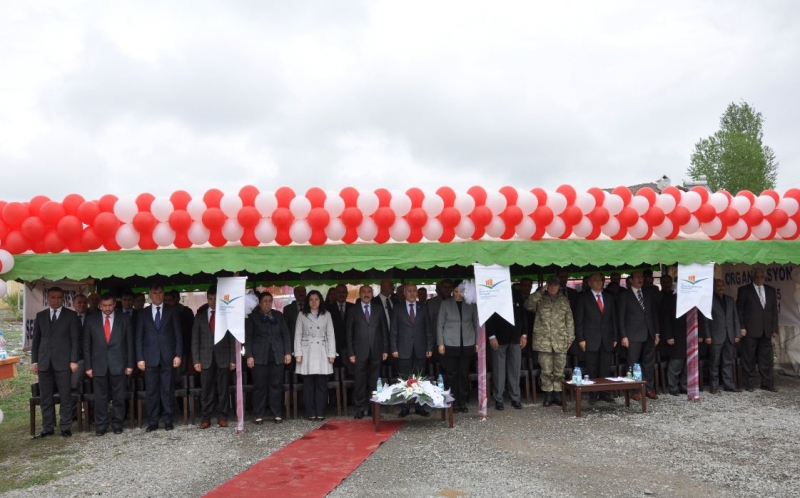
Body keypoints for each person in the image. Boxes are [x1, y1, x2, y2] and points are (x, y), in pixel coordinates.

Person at [31, 286, 80, 438]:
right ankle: (47, 427)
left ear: (63, 298)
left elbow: (75, 340)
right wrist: (34, 362)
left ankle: (65, 426)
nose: (56, 300)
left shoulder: (71, 316)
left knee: (65, 396)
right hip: (45, 362)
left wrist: (73, 360)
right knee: (46, 397)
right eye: (53, 297)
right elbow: (36, 341)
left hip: (64, 362)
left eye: (59, 297)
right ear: (47, 298)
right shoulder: (40, 316)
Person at [83, 293, 134, 435]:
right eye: (104, 306)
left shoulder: (124, 319)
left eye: (110, 305)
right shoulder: (91, 320)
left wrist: (130, 364)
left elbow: (130, 343)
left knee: (119, 396)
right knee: (100, 397)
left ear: (115, 304)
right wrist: (88, 366)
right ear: (100, 305)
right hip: (98, 364)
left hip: (119, 363)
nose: (107, 308)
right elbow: (86, 345)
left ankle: (117, 424)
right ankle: (101, 425)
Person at [136, 283, 183, 432]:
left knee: (167, 389)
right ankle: (153, 421)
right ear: (149, 294)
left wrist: (178, 354)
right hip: (150, 357)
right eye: (155, 293)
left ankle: (168, 419)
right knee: (151, 390)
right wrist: (140, 358)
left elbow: (178, 334)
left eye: (160, 293)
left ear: (164, 294)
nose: (158, 295)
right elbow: (139, 338)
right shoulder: (143, 313)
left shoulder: (172, 311)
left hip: (168, 356)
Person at [525, 276, 574, 407]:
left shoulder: (564, 301)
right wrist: (541, 291)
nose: (552, 288)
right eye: (550, 285)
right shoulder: (540, 298)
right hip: (543, 341)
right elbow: (528, 305)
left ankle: (557, 394)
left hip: (560, 340)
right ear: (547, 285)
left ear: (559, 286)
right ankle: (548, 395)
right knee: (546, 370)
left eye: (555, 285)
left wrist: (570, 338)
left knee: (559, 370)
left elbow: (569, 320)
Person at [191, 285, 235, 429]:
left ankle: (222, 416)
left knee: (223, 389)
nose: (212, 301)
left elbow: (232, 338)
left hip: (223, 356)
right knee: (206, 390)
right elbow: (195, 340)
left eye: (216, 299)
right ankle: (206, 417)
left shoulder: (226, 315)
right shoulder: (200, 316)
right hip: (205, 358)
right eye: (210, 298)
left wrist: (233, 359)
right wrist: (196, 360)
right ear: (207, 298)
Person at [246, 292, 292, 424]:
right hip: (259, 356)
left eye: (269, 301)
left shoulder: (278, 315)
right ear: (259, 303)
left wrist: (287, 352)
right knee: (260, 386)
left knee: (276, 385)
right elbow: (248, 338)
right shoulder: (253, 317)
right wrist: (249, 356)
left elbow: (286, 335)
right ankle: (258, 414)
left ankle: (277, 413)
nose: (267, 303)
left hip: (277, 355)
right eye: (265, 301)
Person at [347, 285, 389, 419]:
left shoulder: (378, 309)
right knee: (360, 381)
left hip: (376, 350)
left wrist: (385, 349)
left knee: (375, 381)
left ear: (372, 294)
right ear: (360, 294)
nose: (366, 294)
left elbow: (384, 330)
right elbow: (349, 334)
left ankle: (373, 408)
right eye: (364, 292)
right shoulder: (353, 310)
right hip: (359, 352)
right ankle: (359, 409)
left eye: (369, 292)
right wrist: (351, 352)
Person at [574, 273, 617, 403]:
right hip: (590, 339)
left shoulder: (609, 297)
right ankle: (592, 394)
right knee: (591, 368)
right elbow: (579, 321)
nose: (599, 282)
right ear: (589, 283)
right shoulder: (583, 298)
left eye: (601, 280)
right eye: (595, 280)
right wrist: (580, 338)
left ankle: (605, 393)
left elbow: (613, 318)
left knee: (605, 368)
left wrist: (615, 336)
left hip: (607, 338)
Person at [391, 283, 433, 417]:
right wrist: (394, 348)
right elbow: (393, 330)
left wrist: (429, 347)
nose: (412, 293)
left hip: (421, 348)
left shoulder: (423, 307)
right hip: (403, 349)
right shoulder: (397, 308)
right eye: (408, 291)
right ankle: (405, 407)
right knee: (404, 379)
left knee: (420, 378)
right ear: (404, 293)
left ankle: (421, 406)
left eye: (414, 291)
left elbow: (428, 329)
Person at [618, 270, 660, 400]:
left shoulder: (648, 293)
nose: (640, 279)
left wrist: (657, 332)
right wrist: (623, 335)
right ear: (630, 280)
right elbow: (621, 317)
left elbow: (654, 314)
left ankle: (649, 389)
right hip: (632, 334)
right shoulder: (624, 295)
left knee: (649, 363)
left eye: (641, 277)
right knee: (632, 363)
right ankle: (633, 390)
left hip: (649, 333)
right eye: (637, 277)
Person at [294, 290, 336, 420]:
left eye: (316, 299)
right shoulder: (302, 315)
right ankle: (311, 412)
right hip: (307, 351)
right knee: (308, 385)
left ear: (320, 301)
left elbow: (330, 335)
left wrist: (331, 353)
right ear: (307, 301)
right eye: (311, 299)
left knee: (322, 384)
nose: (313, 302)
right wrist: (298, 353)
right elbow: (298, 334)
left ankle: (321, 411)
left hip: (322, 350)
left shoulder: (327, 314)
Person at [437, 281, 478, 413]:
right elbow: (440, 324)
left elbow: (476, 323)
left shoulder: (470, 304)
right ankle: (452, 401)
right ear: (452, 292)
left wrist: (477, 342)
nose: (458, 294)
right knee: (452, 374)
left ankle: (463, 402)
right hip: (450, 343)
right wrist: (440, 343)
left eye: (461, 291)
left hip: (467, 343)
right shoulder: (445, 303)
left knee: (464, 374)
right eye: (456, 291)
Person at [736, 267, 779, 392]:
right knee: (748, 359)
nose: (759, 279)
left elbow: (774, 311)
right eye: (757, 277)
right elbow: (740, 311)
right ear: (752, 277)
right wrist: (742, 327)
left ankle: (767, 384)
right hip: (750, 331)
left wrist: (774, 328)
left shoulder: (771, 290)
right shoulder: (744, 290)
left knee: (766, 359)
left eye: (762, 277)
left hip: (766, 331)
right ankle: (749, 384)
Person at [486, 289, 527, 410]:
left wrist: (524, 334)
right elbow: (488, 315)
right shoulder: (493, 292)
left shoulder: (516, 293)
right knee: (499, 370)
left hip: (515, 337)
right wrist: (491, 336)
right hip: (498, 338)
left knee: (515, 369)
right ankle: (499, 399)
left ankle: (515, 398)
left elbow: (522, 315)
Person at [662, 302, 710, 396]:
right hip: (676, 336)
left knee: (688, 364)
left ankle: (684, 386)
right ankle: (673, 387)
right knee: (676, 363)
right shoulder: (670, 300)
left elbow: (700, 317)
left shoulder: (693, 299)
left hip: (691, 335)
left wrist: (700, 333)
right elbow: (665, 320)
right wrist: (669, 336)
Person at [708, 279, 741, 393]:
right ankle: (714, 386)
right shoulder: (708, 300)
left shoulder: (730, 300)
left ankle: (729, 385)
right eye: (718, 285)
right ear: (713, 287)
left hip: (729, 335)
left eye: (722, 285)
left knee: (728, 361)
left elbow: (735, 318)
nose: (721, 287)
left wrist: (737, 334)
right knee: (714, 362)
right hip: (715, 335)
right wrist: (707, 335)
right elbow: (705, 320)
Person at [328, 283, 355, 371]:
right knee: (335, 372)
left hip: (350, 347)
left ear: (347, 294)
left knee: (351, 372)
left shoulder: (354, 308)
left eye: (343, 292)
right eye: (339, 292)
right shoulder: (327, 309)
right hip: (334, 346)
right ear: (335, 293)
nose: (341, 294)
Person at [71, 294, 89, 391]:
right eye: (79, 302)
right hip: (72, 359)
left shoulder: (94, 318)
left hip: (90, 358)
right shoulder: (68, 317)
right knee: (73, 386)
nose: (82, 305)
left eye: (85, 303)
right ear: (73, 304)